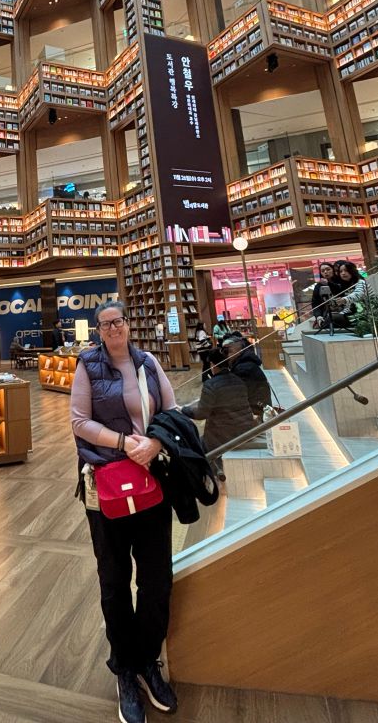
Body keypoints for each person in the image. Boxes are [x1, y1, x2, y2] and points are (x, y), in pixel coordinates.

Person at [70, 300, 179, 723]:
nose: (113, 329)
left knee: (156, 578)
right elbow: (79, 422)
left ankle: (148, 661)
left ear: (128, 325)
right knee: (114, 580)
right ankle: (125, 671)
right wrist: (123, 442)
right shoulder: (87, 365)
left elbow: (170, 412)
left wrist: (155, 442)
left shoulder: (148, 363)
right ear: (98, 331)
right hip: (107, 487)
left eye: (118, 321)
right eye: (105, 324)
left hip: (151, 482)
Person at [181, 348, 257, 481]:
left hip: (224, 434)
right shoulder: (239, 380)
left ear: (213, 365)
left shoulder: (211, 385)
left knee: (196, 444)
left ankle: (212, 474)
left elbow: (201, 413)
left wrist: (184, 410)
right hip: (245, 429)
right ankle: (217, 469)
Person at [223, 335, 272, 420]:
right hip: (259, 409)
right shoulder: (245, 363)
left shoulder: (242, 369)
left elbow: (237, 398)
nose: (226, 355)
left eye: (228, 351)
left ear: (239, 351)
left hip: (257, 414)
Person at [311, 262, 340, 329]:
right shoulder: (318, 286)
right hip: (326, 313)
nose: (325, 272)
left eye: (328, 269)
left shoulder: (340, 281)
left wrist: (328, 283)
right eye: (323, 271)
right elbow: (315, 303)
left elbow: (340, 290)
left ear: (333, 270)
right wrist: (318, 316)